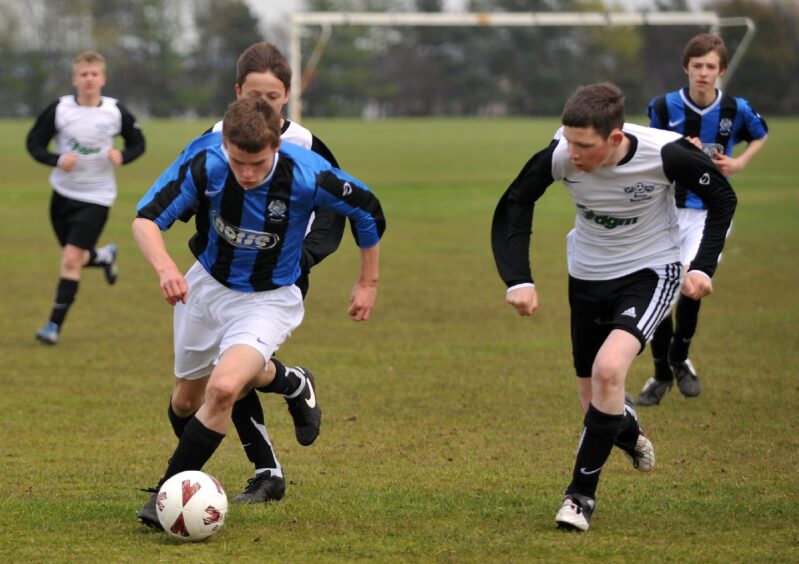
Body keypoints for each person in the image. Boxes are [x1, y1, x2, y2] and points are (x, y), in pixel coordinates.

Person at [491, 83, 736, 532]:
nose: (573, 153)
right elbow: (515, 201)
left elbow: (723, 198)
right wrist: (519, 279)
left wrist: (701, 268)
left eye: (584, 145)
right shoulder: (562, 153)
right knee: (595, 406)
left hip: (650, 274)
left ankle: (579, 498)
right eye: (568, 141)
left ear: (616, 139)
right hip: (586, 277)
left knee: (609, 371)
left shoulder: (667, 153)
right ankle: (622, 427)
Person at [133, 97, 385, 530]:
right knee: (184, 401)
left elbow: (367, 210)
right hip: (207, 288)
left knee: (225, 386)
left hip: (269, 297)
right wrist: (166, 268)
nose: (247, 174)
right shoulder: (205, 161)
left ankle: (167, 494)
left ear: (276, 148)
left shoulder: (308, 172)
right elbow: (146, 220)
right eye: (238, 162)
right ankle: (291, 380)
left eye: (258, 163)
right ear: (225, 145)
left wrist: (368, 282)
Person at [166, 42, 350, 506]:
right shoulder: (215, 138)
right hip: (218, 274)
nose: (261, 104)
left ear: (285, 95)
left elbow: (338, 210)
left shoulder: (306, 144)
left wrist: (304, 256)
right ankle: (290, 383)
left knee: (231, 376)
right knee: (214, 383)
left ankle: (266, 471)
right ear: (236, 93)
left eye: (270, 96)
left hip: (278, 276)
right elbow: (191, 198)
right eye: (252, 95)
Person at [637, 33, 768, 405]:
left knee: (693, 284)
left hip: (710, 213)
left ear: (721, 71)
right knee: (661, 288)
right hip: (666, 210)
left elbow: (761, 133)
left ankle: (679, 358)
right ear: (686, 68)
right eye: (697, 66)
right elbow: (649, 146)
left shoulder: (735, 109)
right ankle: (662, 371)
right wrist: (676, 149)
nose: (703, 73)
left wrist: (739, 161)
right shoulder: (663, 107)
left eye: (711, 67)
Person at [26, 50, 146, 345]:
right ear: (74, 79)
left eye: (94, 74)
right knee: (75, 256)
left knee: (70, 259)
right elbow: (34, 143)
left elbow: (138, 143)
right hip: (63, 195)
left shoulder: (116, 111)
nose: (89, 79)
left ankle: (53, 326)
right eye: (83, 74)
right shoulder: (60, 109)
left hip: (97, 197)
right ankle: (104, 256)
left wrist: (124, 155)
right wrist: (56, 160)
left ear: (103, 79)